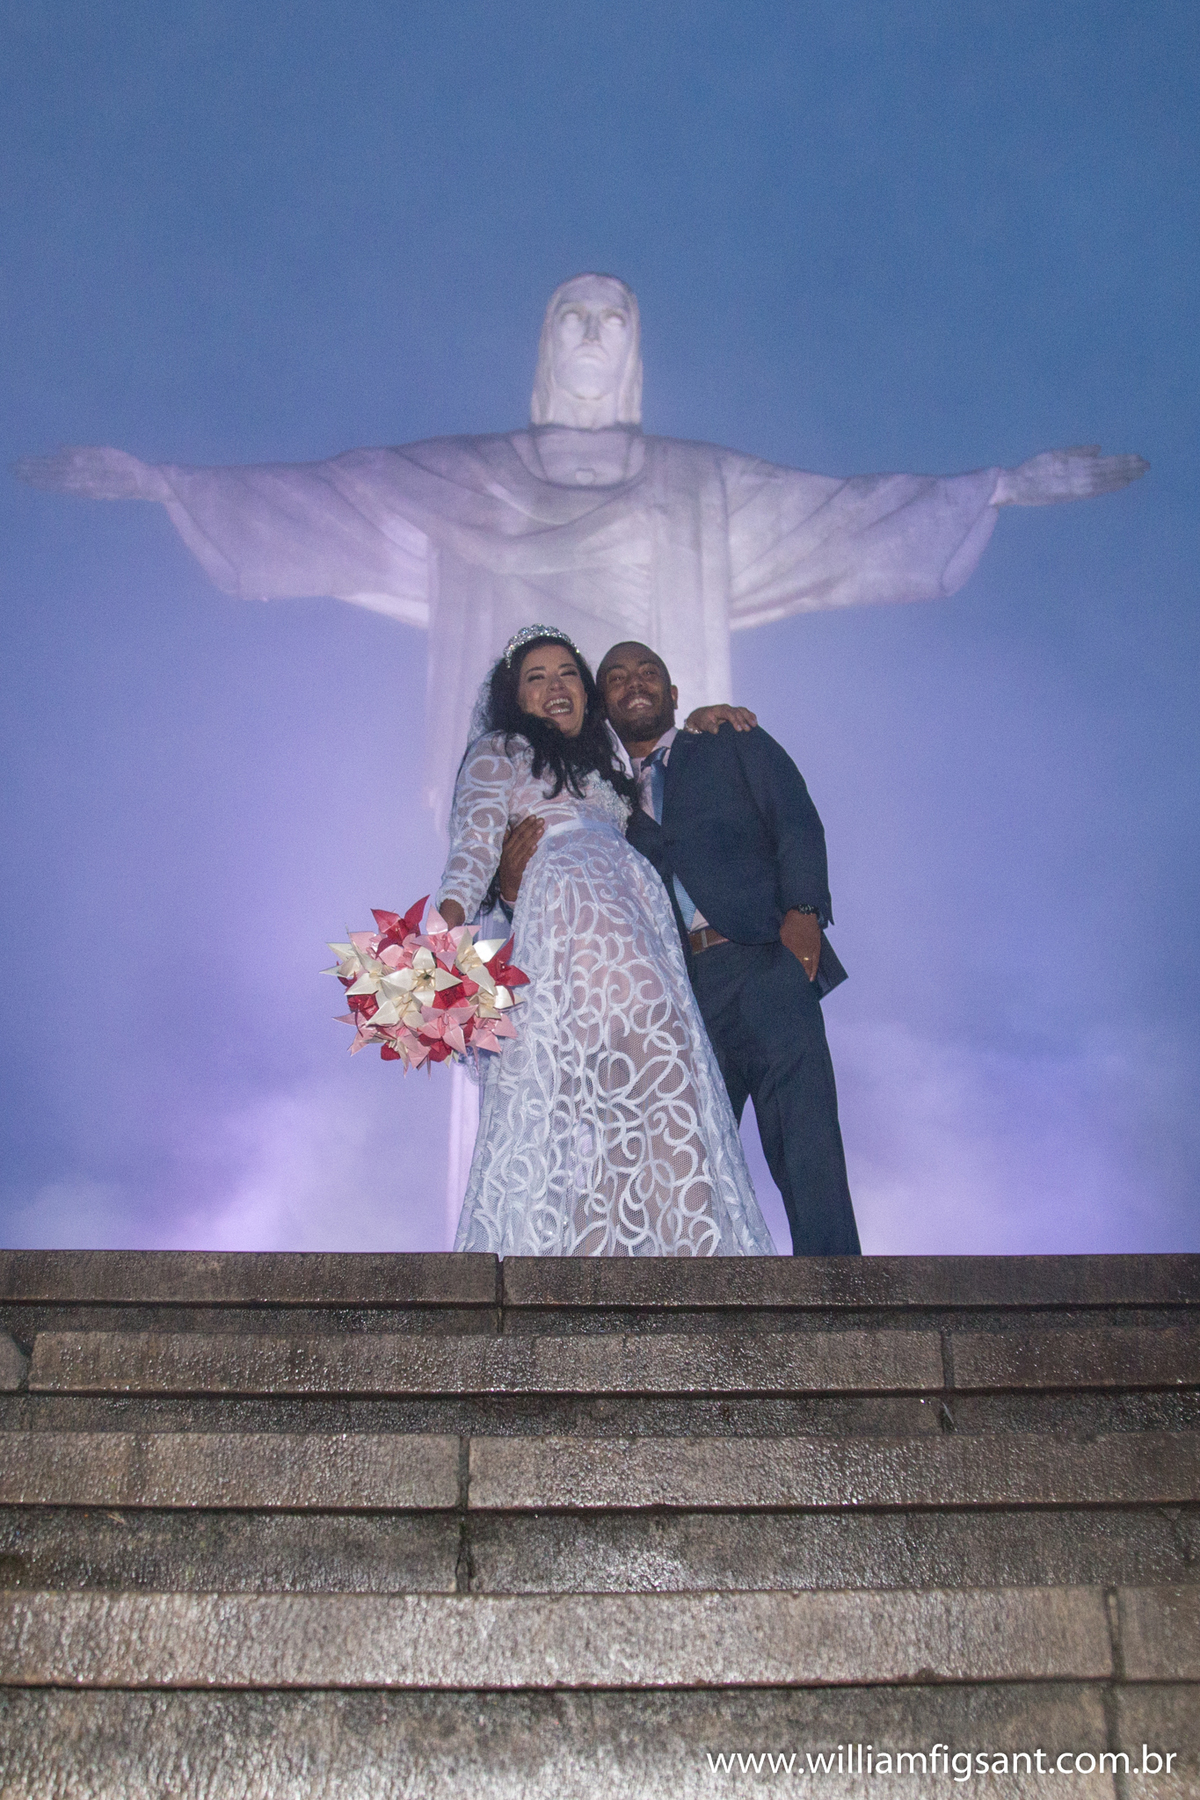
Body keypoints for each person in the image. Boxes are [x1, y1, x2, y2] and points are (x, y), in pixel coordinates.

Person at [17, 272, 1147, 825]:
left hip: (659, 784)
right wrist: (168, 484)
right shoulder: (471, 475)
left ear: (638, 352)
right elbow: (331, 503)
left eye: (615, 317)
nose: (595, 333)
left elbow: (843, 517)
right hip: (514, 790)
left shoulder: (698, 484)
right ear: (545, 347)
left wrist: (993, 488)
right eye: (574, 316)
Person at [499, 640, 858, 1256]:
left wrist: (803, 922)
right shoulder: (599, 798)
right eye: (615, 678)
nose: (633, 683)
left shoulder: (729, 739)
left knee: (807, 1140)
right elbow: (569, 876)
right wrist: (509, 885)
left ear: (672, 693)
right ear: (601, 704)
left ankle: (844, 1298)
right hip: (676, 997)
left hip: (766, 960)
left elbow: (795, 817)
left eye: (649, 673)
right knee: (680, 1156)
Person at [435, 624, 776, 1259]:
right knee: (575, 1101)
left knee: (661, 1085)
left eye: (566, 673)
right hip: (568, 917)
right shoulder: (499, 750)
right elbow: (472, 850)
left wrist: (699, 717)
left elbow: (664, 775)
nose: (554, 687)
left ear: (586, 694)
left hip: (636, 918)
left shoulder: (609, 771)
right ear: (516, 697)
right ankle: (561, 1265)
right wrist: (437, 949)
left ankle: (686, 1253)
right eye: (535, 678)